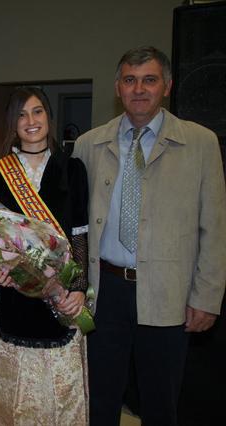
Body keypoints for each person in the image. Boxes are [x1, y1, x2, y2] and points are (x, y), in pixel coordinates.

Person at [72, 46, 226, 425]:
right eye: (130, 80)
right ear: (118, 88)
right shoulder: (88, 145)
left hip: (167, 292)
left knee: (160, 404)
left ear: (167, 86)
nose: (139, 89)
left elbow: (214, 226)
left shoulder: (200, 144)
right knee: (98, 401)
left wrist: (207, 296)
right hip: (104, 292)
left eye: (149, 80)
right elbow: (75, 225)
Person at [0, 87, 90, 425]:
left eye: (37, 111)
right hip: (12, 296)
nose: (30, 121)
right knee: (12, 398)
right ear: (13, 123)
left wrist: (78, 288)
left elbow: (79, 234)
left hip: (60, 298)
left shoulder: (73, 168)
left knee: (55, 398)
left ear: (48, 117)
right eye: (21, 115)